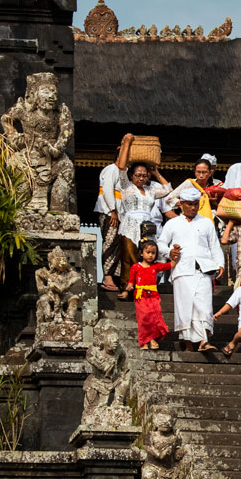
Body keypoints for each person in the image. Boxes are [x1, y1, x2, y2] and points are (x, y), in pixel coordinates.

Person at [157, 185, 224, 351]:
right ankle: (188, 344)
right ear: (181, 204)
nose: (193, 207)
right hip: (182, 269)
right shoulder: (172, 224)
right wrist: (170, 252)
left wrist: (220, 263)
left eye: (195, 204)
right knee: (185, 307)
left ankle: (204, 340)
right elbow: (160, 244)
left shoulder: (207, 222)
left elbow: (214, 245)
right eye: (189, 204)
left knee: (204, 305)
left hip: (203, 269)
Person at [115, 137, 173, 292]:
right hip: (129, 226)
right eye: (138, 175)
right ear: (131, 176)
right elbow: (121, 168)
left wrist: (155, 172)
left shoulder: (151, 190)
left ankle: (146, 287)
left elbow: (168, 189)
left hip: (147, 227)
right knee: (129, 258)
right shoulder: (126, 186)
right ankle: (127, 289)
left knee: (147, 258)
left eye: (144, 175)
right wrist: (126, 144)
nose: (141, 178)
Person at [126, 240, 179, 350]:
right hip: (140, 296)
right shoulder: (135, 267)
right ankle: (144, 342)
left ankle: (153, 339)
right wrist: (129, 286)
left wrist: (176, 253)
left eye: (153, 253)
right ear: (141, 253)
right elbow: (131, 280)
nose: (150, 255)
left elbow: (171, 264)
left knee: (155, 317)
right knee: (144, 318)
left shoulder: (156, 266)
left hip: (153, 296)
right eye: (148, 252)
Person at [95, 157, 122, 291]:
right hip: (110, 213)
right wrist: (113, 210)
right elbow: (107, 190)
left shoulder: (123, 173)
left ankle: (115, 275)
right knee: (110, 244)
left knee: (117, 245)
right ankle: (107, 276)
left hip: (119, 213)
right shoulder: (112, 169)